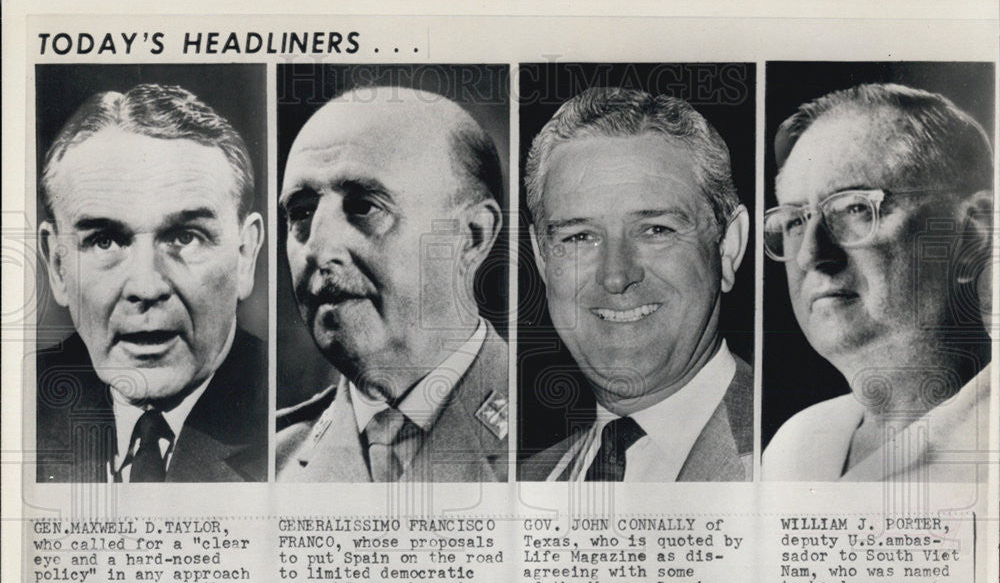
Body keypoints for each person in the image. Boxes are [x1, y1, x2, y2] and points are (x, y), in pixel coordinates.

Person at [762, 82, 993, 483]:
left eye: (854, 208)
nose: (811, 254)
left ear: (972, 234)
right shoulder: (795, 445)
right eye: (796, 220)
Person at [275, 86, 508, 482]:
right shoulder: (272, 458)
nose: (317, 247)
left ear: (472, 236)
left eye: (364, 206)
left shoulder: (567, 436)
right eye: (302, 211)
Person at [36, 83, 266, 483]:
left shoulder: (293, 421)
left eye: (185, 237)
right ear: (58, 266)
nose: (145, 286)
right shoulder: (21, 408)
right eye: (104, 240)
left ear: (245, 254)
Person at [521, 87, 753, 482]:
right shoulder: (526, 480)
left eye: (655, 230)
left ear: (728, 246)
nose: (616, 276)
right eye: (579, 236)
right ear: (542, 258)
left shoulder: (804, 455)